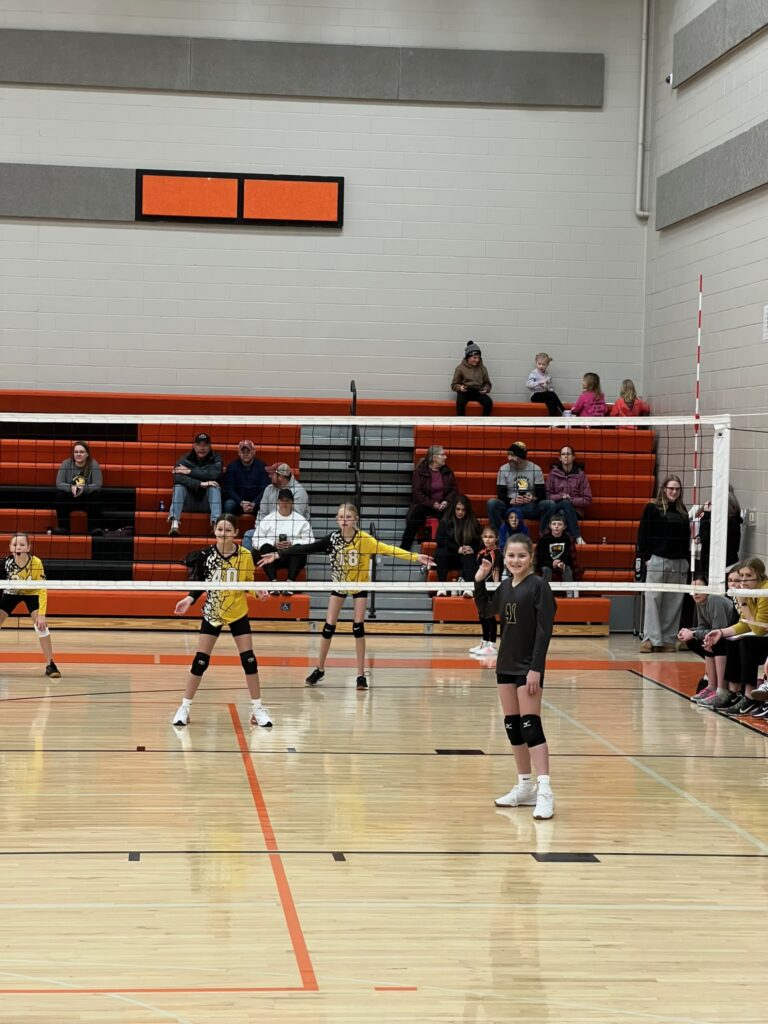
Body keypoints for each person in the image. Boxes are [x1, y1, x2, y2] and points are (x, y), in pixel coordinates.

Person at [260, 503, 433, 689]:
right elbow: (307, 548)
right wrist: (278, 555)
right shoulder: (333, 539)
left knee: (358, 627)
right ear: (337, 519)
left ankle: (360, 675)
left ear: (355, 519)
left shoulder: (365, 540)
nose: (344, 520)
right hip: (340, 585)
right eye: (341, 517)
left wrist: (416, 557)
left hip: (359, 585)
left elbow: (389, 549)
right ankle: (319, 669)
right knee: (328, 627)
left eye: (348, 517)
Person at [474, 533, 556, 820]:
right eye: (511, 556)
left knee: (531, 725)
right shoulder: (505, 586)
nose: (515, 560)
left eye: (521, 556)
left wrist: (536, 668)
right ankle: (524, 787)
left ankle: (545, 790)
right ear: (504, 558)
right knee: (513, 726)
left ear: (530, 558)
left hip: (527, 667)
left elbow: (544, 631)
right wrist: (479, 581)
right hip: (506, 665)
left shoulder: (539, 586)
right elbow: (486, 610)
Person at [170, 514, 272, 728]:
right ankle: (184, 707)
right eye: (220, 529)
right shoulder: (205, 555)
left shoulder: (245, 555)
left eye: (227, 530)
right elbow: (200, 583)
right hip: (213, 612)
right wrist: (189, 599)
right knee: (200, 661)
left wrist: (258, 592)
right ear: (214, 531)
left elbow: (248, 583)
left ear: (235, 533)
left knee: (249, 660)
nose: (223, 533)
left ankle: (257, 709)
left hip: (237, 611)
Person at [703, 557, 768, 719]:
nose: (743, 580)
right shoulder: (748, 591)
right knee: (729, 640)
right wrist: (721, 632)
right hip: (761, 635)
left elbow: (758, 630)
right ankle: (733, 692)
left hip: (763, 637)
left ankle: (750, 697)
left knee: (747, 642)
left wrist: (743, 604)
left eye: (748, 576)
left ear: (759, 576)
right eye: (742, 576)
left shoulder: (764, 592)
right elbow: (744, 624)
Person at [637, 475, 690, 653]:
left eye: (677, 489)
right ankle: (651, 639)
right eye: (671, 488)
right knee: (653, 599)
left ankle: (668, 639)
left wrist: (686, 561)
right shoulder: (652, 508)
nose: (674, 492)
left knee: (674, 602)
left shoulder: (683, 511)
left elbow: (686, 538)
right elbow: (643, 533)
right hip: (657, 560)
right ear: (664, 489)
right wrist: (646, 557)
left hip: (679, 563)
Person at [0, 533, 61, 678]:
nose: (18, 547)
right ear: (10, 548)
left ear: (28, 547)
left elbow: (42, 589)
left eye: (22, 545)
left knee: (41, 626)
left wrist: (42, 615)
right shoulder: (5, 564)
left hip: (31, 592)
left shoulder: (36, 563)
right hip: (11, 592)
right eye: (15, 544)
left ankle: (50, 665)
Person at [679, 570, 740, 709]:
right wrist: (689, 631)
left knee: (713, 642)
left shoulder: (714, 599)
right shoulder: (700, 602)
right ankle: (712, 686)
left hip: (731, 636)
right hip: (722, 635)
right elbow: (704, 626)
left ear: (708, 589)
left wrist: (694, 633)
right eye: (693, 590)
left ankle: (720, 690)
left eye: (699, 589)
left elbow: (718, 629)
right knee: (696, 640)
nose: (695, 593)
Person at [247, 488, 314, 590]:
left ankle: (290, 583)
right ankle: (273, 582)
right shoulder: (267, 519)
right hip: (272, 558)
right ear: (278, 502)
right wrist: (273, 543)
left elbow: (310, 541)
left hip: (292, 559)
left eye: (287, 501)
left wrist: (292, 543)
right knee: (265, 547)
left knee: (299, 548)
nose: (284, 504)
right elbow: (255, 540)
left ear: (292, 502)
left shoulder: (301, 521)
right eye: (282, 501)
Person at [400, 445, 457, 550]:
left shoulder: (447, 472)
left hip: (443, 505)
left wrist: (446, 501)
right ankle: (404, 548)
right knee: (416, 512)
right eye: (442, 455)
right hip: (426, 505)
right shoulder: (420, 472)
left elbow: (454, 490)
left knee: (456, 512)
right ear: (434, 458)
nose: (445, 457)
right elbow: (417, 493)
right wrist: (432, 503)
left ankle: (452, 548)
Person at [486, 441, 552, 531]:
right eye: (508, 455)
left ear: (521, 457)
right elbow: (500, 494)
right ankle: (498, 535)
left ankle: (544, 535)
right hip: (510, 507)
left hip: (529, 507)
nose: (509, 458)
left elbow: (542, 495)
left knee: (549, 504)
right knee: (492, 503)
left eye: (513, 456)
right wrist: (511, 500)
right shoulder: (503, 469)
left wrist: (532, 498)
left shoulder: (535, 469)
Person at [168, 433, 223, 536]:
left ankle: (216, 525)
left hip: (207, 503)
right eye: (199, 445)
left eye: (205, 445)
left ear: (209, 446)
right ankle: (174, 524)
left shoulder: (216, 458)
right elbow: (177, 477)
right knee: (179, 486)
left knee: (214, 487)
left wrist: (190, 472)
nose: (202, 448)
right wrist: (200, 483)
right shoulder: (185, 459)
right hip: (187, 502)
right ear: (194, 446)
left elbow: (215, 475)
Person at [434, 494, 482, 597]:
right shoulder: (445, 521)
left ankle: (468, 588)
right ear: (454, 509)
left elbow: (480, 543)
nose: (460, 512)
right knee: (442, 552)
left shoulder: (473, 523)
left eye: (463, 510)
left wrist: (473, 549)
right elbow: (440, 540)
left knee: (468, 555)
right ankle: (441, 587)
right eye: (458, 509)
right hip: (449, 557)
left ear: (467, 510)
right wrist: (457, 549)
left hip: (466, 558)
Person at [543, 445, 592, 544]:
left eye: (568, 454)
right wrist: (561, 496)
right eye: (563, 454)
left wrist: (571, 500)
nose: (566, 456)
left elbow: (587, 499)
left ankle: (547, 538)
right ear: (560, 458)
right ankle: (577, 537)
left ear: (573, 457)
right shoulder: (553, 474)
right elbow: (547, 496)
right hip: (556, 507)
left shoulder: (581, 475)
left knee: (563, 510)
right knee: (563, 505)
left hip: (575, 511)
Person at [54, 440, 103, 533]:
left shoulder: (93, 464)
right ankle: (63, 528)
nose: (78, 454)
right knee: (60, 495)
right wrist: (71, 487)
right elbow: (59, 483)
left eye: (81, 452)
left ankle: (93, 529)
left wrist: (82, 488)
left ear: (87, 454)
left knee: (96, 495)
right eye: (76, 452)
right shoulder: (66, 463)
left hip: (86, 498)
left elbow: (97, 485)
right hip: (71, 497)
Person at [469, 525, 502, 656]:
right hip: (480, 586)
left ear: (496, 538)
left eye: (491, 537)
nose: (487, 539)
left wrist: (495, 588)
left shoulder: (497, 553)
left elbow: (496, 571)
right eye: (485, 537)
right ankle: (484, 640)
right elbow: (479, 571)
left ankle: (491, 644)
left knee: (490, 615)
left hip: (491, 587)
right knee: (481, 614)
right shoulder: (481, 553)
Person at [695, 485, 742, 572]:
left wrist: (706, 516)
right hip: (730, 563)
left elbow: (706, 538)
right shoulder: (734, 518)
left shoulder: (727, 521)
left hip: (719, 566)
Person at [222, 440, 269, 517]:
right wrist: (241, 502)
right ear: (239, 453)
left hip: (256, 503)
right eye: (243, 452)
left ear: (254, 452)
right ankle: (228, 524)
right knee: (229, 505)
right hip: (238, 503)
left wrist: (254, 503)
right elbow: (229, 489)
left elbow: (264, 489)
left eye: (248, 451)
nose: (245, 454)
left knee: (267, 504)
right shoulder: (232, 467)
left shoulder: (262, 467)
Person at [451, 341, 493, 416]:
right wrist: (460, 388)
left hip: (478, 392)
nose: (477, 360)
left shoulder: (482, 368)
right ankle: (461, 421)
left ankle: (484, 421)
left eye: (478, 358)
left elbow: (487, 383)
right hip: (465, 392)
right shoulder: (460, 368)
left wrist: (486, 389)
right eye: (474, 358)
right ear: (468, 357)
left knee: (488, 402)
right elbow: (454, 385)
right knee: (460, 403)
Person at [536, 514, 575, 590]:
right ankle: (545, 592)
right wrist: (552, 563)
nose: (556, 526)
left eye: (559, 524)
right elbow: (541, 557)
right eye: (554, 524)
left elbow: (568, 555)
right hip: (547, 564)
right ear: (550, 526)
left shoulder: (567, 539)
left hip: (561, 563)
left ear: (564, 527)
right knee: (546, 570)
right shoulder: (544, 539)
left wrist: (562, 563)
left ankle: (570, 592)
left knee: (567, 569)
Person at [526, 352, 564, 417]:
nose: (541, 366)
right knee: (551, 394)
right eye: (539, 364)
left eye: (543, 364)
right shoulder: (533, 373)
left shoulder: (548, 374)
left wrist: (547, 387)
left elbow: (551, 389)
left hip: (544, 396)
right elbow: (528, 385)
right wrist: (539, 382)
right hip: (535, 396)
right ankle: (564, 411)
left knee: (552, 404)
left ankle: (552, 420)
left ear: (547, 365)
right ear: (536, 363)